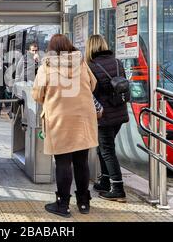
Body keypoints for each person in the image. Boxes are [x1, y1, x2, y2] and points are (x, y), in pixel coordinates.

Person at [32, 34, 98, 217]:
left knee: (63, 162)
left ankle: (63, 205)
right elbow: (93, 84)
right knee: (81, 160)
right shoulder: (81, 62)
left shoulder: (47, 66)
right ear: (69, 46)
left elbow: (37, 94)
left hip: (59, 118)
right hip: (83, 117)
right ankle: (84, 203)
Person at [85, 35, 129, 202]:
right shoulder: (117, 62)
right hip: (119, 112)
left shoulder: (92, 67)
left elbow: (92, 93)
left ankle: (118, 188)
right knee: (103, 148)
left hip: (104, 115)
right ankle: (104, 181)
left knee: (107, 150)